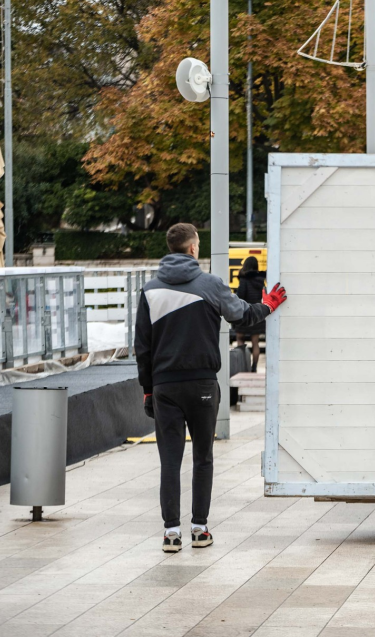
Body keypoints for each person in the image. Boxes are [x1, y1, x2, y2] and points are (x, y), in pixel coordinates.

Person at [136, 223, 288, 553]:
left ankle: (171, 534)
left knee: (169, 461)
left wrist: (148, 390)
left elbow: (143, 347)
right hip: (203, 384)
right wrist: (269, 306)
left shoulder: (149, 291)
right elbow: (243, 317)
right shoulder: (210, 284)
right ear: (193, 248)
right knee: (203, 457)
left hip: (164, 386)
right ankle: (200, 529)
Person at [235, 256, 267, 372]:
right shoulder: (261, 280)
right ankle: (254, 367)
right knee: (255, 342)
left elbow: (240, 296)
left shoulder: (244, 280)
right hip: (257, 314)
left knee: (239, 338)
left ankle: (242, 365)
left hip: (244, 313)